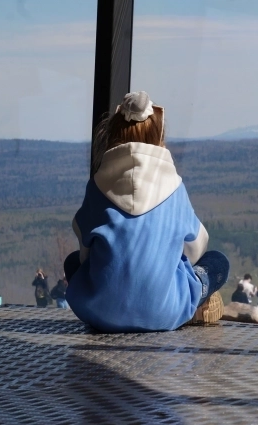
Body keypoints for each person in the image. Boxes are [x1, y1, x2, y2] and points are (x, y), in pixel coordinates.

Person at [64, 91, 229, 332]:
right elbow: (196, 247)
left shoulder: (98, 187)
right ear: (159, 137)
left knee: (71, 263)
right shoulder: (174, 188)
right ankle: (191, 306)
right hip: (164, 314)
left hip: (100, 314)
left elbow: (84, 254)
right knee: (218, 262)